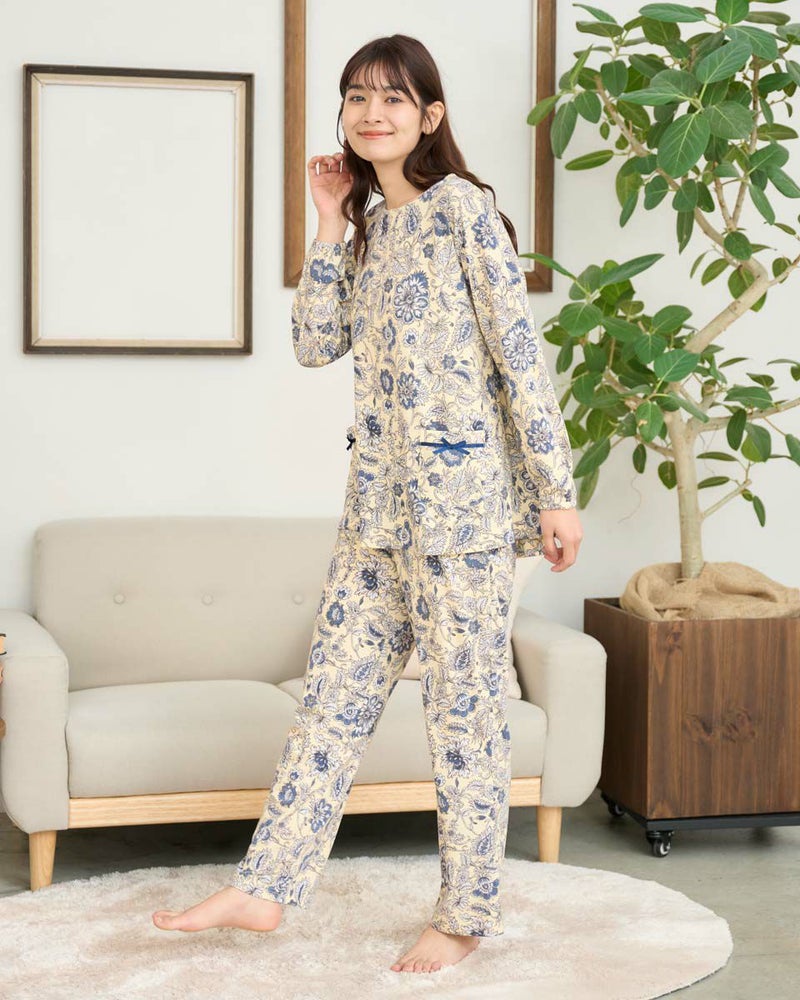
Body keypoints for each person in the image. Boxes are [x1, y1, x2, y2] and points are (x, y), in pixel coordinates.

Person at [152, 33, 583, 975]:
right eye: (356, 97)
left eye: (393, 97)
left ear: (430, 116)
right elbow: (316, 344)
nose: (371, 112)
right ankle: (266, 887)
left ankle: (464, 915)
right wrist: (328, 223)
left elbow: (518, 353)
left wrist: (556, 492)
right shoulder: (374, 229)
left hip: (463, 514)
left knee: (464, 719)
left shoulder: (464, 210)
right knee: (331, 704)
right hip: (376, 515)